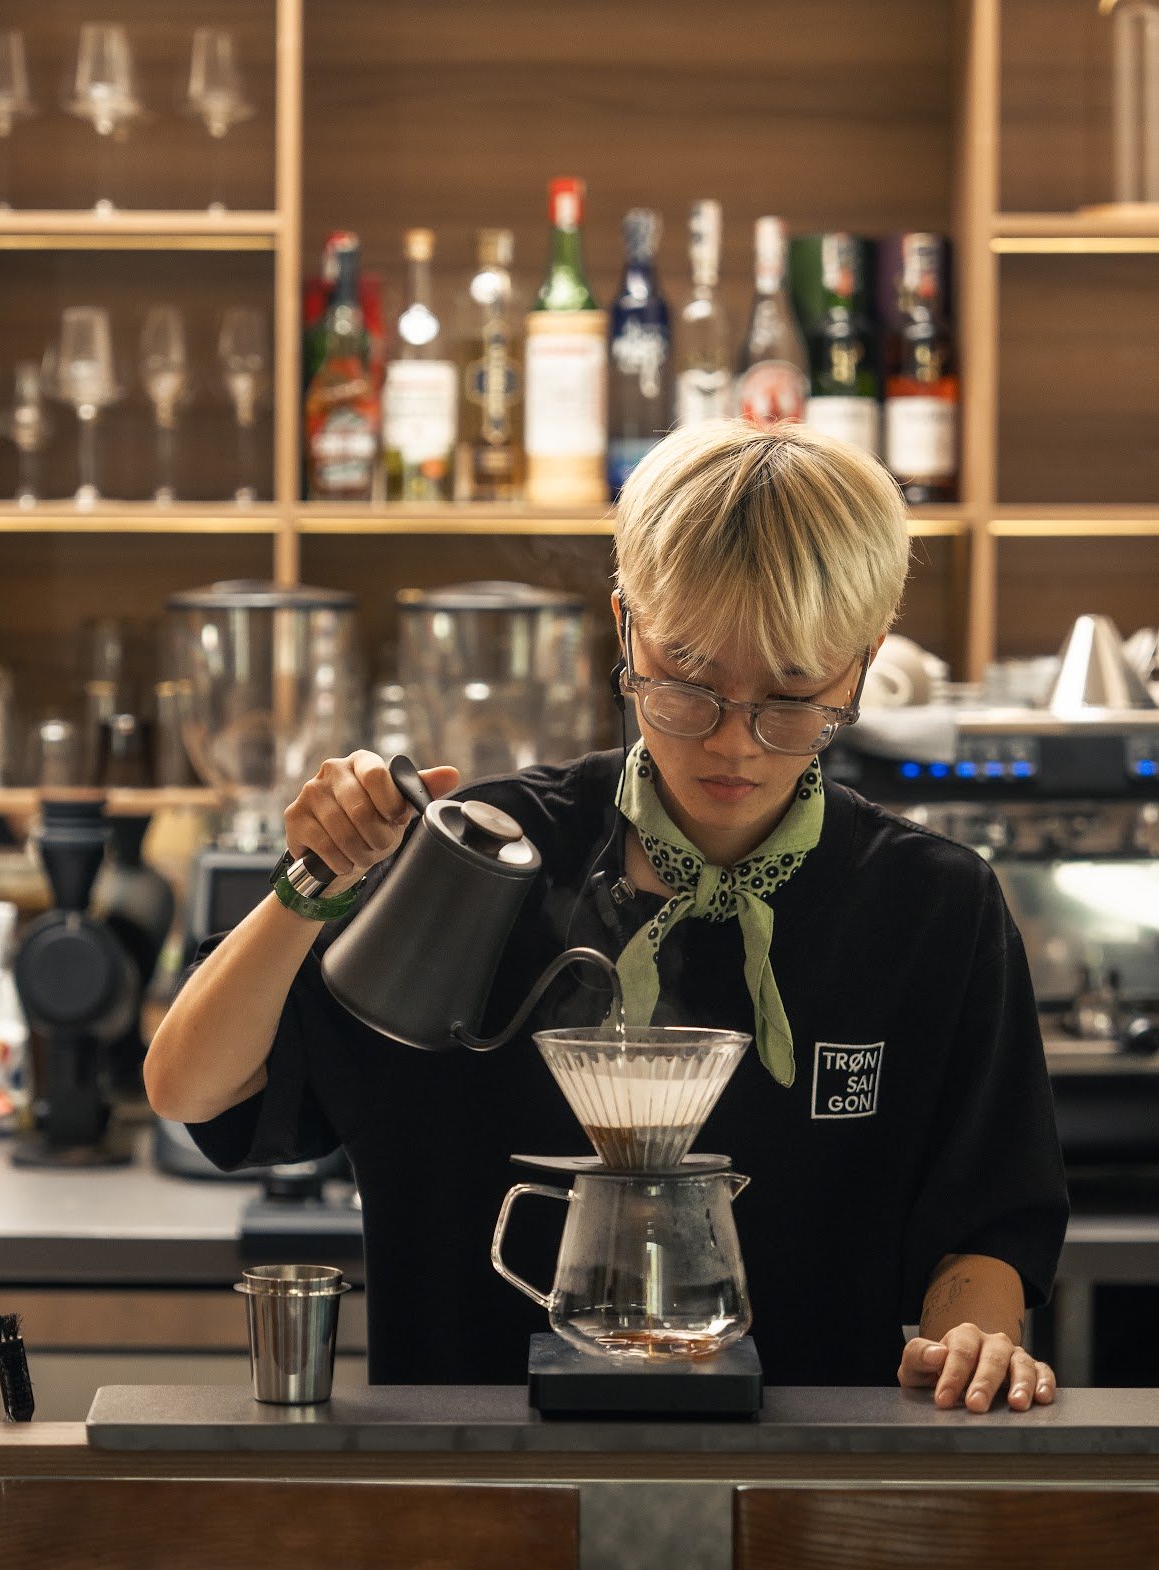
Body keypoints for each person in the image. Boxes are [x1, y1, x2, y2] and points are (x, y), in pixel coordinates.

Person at [146, 421, 1068, 1411]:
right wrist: (311, 879)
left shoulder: (927, 903)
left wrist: (973, 1336)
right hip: (472, 1483)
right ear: (627, 627)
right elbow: (190, 1087)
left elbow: (985, 1223)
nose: (733, 744)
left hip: (804, 1491)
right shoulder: (485, 862)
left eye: (791, 697)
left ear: (862, 663)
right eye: (688, 683)